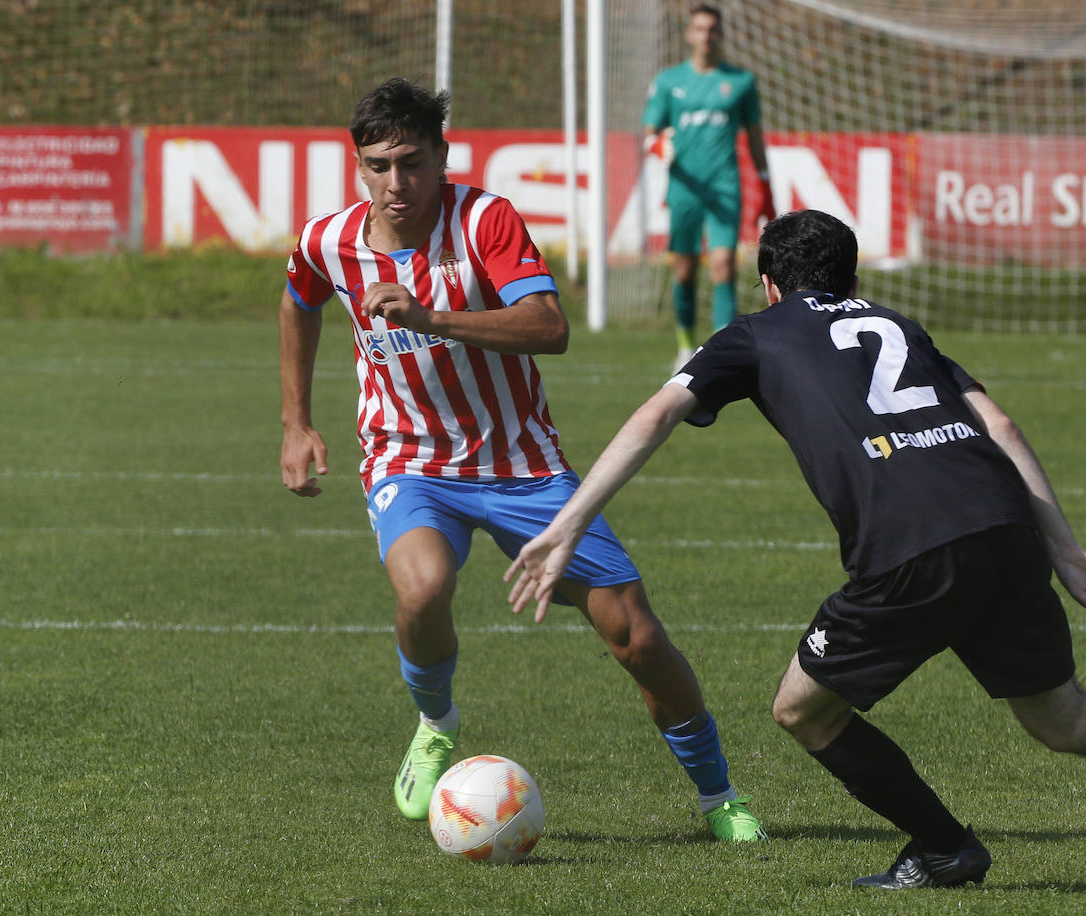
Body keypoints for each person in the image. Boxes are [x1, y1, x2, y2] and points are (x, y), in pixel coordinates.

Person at [508, 209, 1086, 888]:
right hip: (1004, 524)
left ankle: (944, 847)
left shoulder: (754, 333)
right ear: (854, 283)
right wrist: (1068, 552)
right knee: (1065, 717)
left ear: (769, 285)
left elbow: (655, 416)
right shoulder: (901, 325)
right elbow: (1004, 428)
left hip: (908, 550)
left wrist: (567, 524)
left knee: (803, 710)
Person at [278, 78, 764, 841]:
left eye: (411, 163)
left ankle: (719, 798)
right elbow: (299, 298)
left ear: (442, 157)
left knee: (634, 635)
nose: (395, 183)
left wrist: (433, 316)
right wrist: (296, 423)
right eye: (377, 166)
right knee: (423, 588)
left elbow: (549, 326)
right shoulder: (327, 241)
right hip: (408, 461)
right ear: (359, 167)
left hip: (522, 466)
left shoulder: (484, 221)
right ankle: (437, 721)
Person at [644, 3, 775, 371]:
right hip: (684, 189)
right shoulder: (670, 82)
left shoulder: (741, 82)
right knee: (684, 270)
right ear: (689, 34)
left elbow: (754, 138)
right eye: (700, 29)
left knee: (723, 265)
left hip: (724, 187)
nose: (706, 36)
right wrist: (656, 145)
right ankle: (685, 347)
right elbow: (649, 134)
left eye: (712, 30)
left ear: (721, 34)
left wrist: (765, 185)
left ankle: (722, 353)